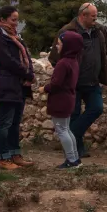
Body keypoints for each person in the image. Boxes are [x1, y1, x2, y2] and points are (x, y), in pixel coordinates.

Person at [48, 2, 107, 158]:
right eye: (93, 16)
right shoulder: (67, 31)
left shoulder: (99, 30)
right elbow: (54, 58)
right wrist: (67, 73)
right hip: (74, 83)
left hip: (93, 80)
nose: (96, 18)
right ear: (83, 15)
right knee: (74, 114)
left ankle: (70, 136)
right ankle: (76, 150)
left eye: (96, 16)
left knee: (97, 108)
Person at [0, 6, 35, 170]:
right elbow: (8, 61)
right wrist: (26, 73)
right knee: (5, 122)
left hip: (19, 85)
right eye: (13, 20)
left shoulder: (15, 37)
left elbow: (25, 57)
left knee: (15, 122)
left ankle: (15, 153)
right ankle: (4, 157)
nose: (16, 23)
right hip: (7, 83)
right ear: (2, 20)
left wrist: (29, 72)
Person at [46, 31, 84, 169]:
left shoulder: (63, 63)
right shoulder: (73, 61)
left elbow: (56, 84)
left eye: (60, 43)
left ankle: (71, 159)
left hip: (60, 100)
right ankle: (75, 157)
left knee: (62, 130)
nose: (57, 46)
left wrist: (44, 88)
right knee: (67, 129)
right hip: (68, 98)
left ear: (68, 46)